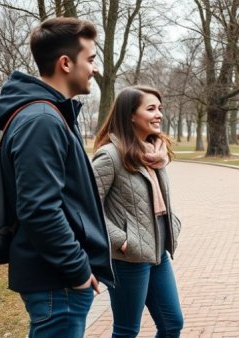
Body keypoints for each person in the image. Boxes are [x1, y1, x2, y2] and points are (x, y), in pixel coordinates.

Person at [0, 17, 114, 337]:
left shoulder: (49, 113)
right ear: (65, 63)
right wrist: (78, 271)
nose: (95, 68)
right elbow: (39, 209)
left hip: (58, 282)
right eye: (91, 59)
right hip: (57, 285)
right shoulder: (42, 119)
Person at [92, 86, 183, 338]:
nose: (159, 115)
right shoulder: (110, 156)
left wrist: (173, 223)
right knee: (126, 331)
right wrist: (120, 240)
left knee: (172, 324)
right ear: (130, 114)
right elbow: (87, 208)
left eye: (160, 109)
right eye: (151, 109)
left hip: (157, 253)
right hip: (127, 259)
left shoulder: (155, 152)